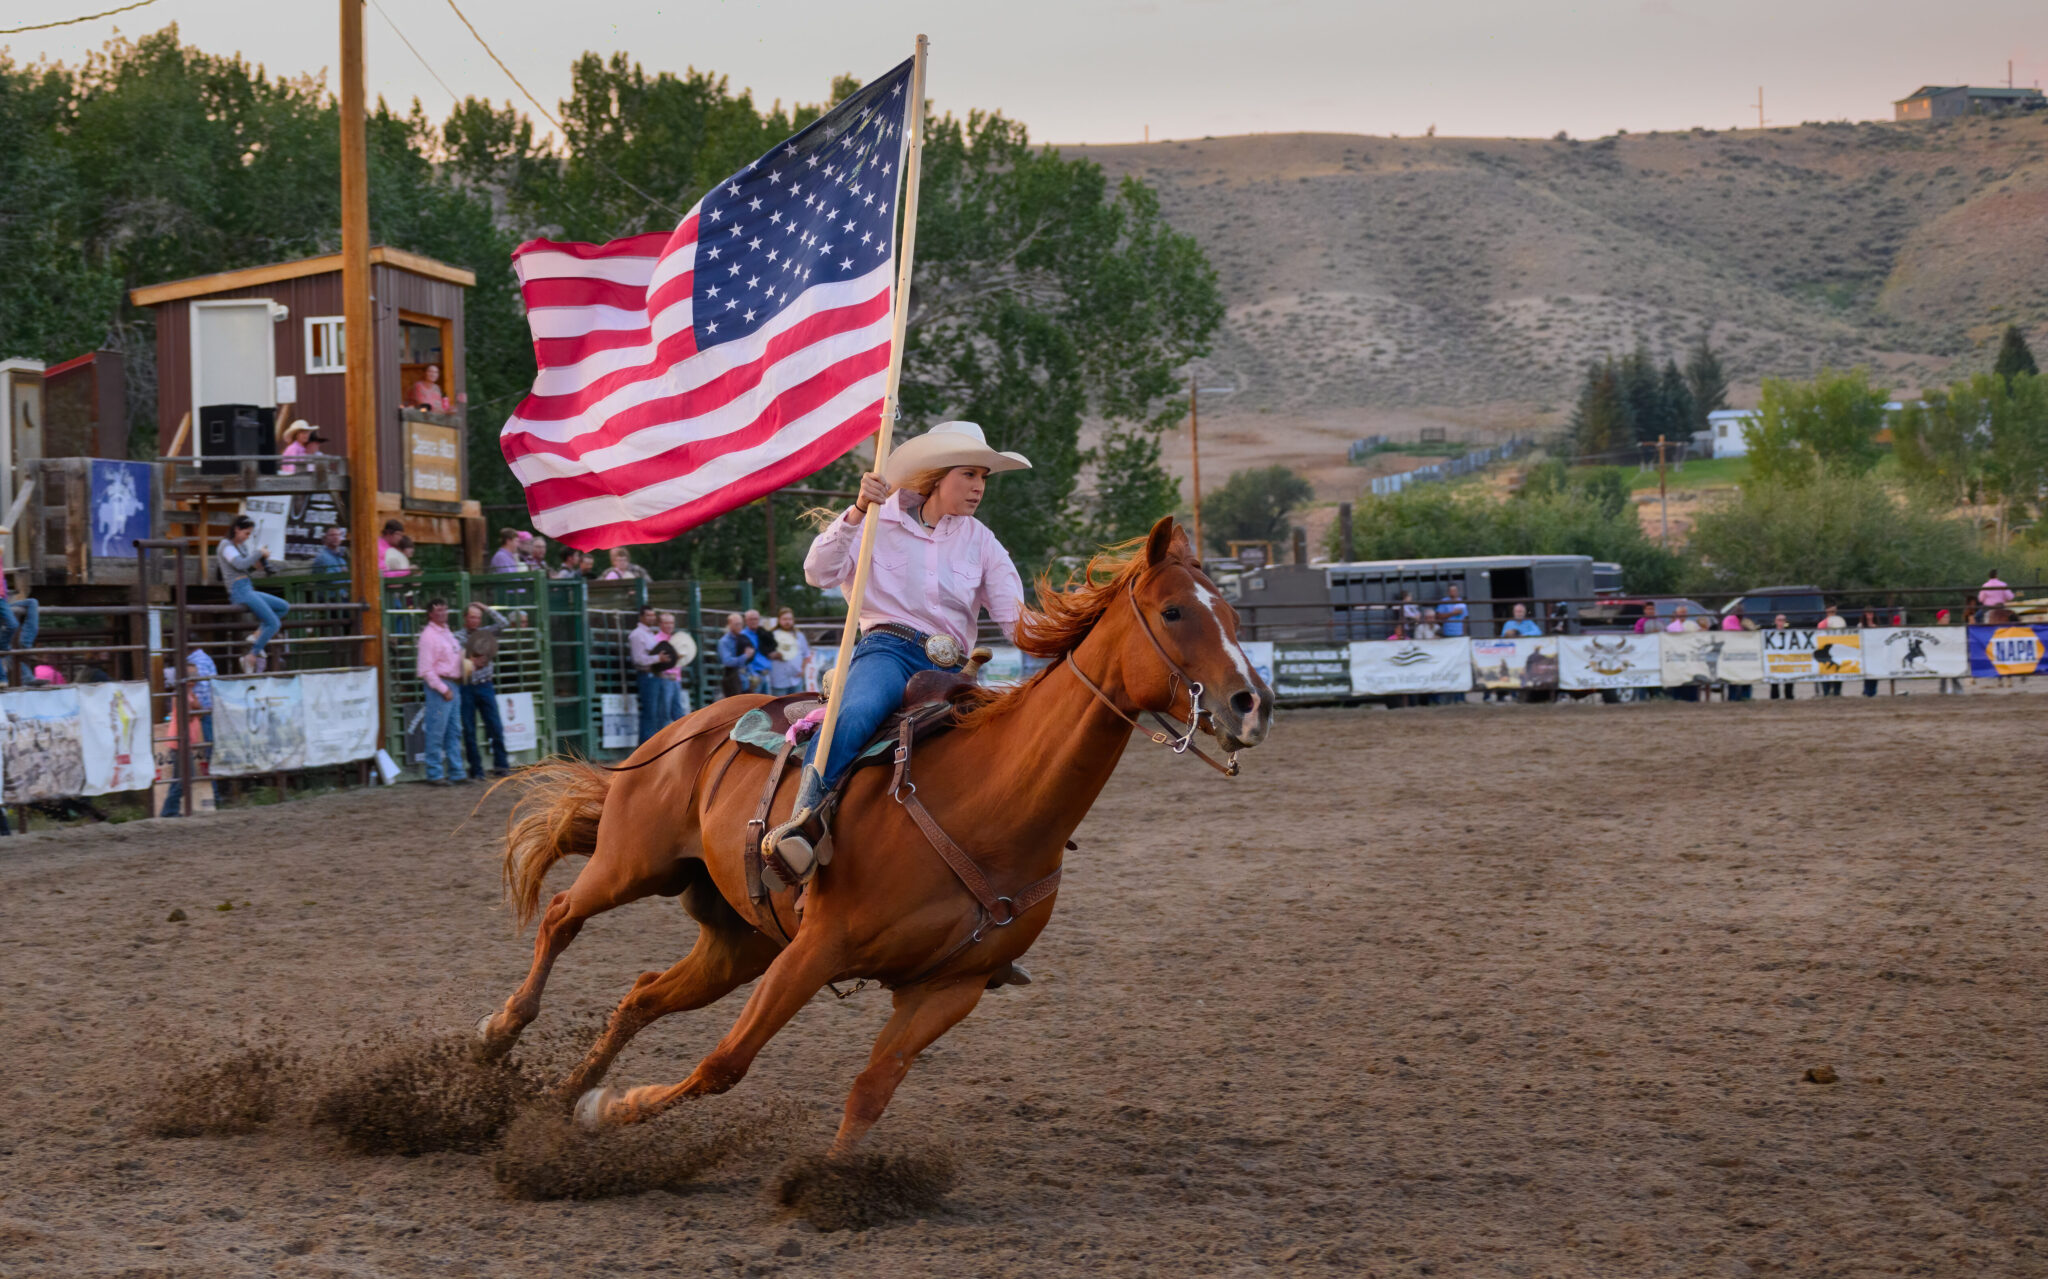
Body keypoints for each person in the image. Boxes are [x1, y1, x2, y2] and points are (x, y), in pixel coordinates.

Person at [764, 419, 1030, 887]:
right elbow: (818, 572)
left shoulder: (982, 541)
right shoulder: (875, 520)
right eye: (969, 474)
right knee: (860, 710)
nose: (978, 488)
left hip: (954, 668)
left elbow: (1017, 621)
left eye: (983, 478)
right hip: (887, 648)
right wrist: (857, 509)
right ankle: (804, 820)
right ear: (936, 476)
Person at [219, 514, 290, 674]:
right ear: (237, 529)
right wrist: (259, 553)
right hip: (238, 590)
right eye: (246, 533)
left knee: (283, 607)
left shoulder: (241, 547)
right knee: (274, 623)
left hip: (247, 587)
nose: (247, 537)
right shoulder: (226, 546)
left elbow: (246, 568)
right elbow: (240, 563)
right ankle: (252, 655)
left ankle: (257, 635)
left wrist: (258, 565)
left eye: (249, 534)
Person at [157, 647, 216, 817]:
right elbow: (189, 715)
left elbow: (196, 709)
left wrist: (195, 708)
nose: (195, 679)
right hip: (181, 742)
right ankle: (169, 810)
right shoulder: (181, 695)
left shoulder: (188, 694)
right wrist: (196, 709)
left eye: (195, 675)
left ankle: (169, 810)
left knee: (180, 778)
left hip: (184, 742)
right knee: (184, 777)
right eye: (193, 676)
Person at [456, 601, 511, 779]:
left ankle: (501, 765)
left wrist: (486, 608)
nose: (475, 621)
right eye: (472, 617)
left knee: (495, 725)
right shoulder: (457, 636)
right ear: (465, 618)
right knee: (469, 729)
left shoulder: (485, 632)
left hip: (485, 684)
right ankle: (477, 769)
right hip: (467, 685)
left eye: (478, 617)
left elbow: (504, 623)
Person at [415, 598, 466, 785]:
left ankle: (456, 771)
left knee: (453, 730)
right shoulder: (428, 636)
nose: (443, 613)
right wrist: (443, 689)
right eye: (439, 611)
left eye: (445, 610)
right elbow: (426, 670)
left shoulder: (446, 632)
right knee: (437, 731)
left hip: (452, 683)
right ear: (430, 614)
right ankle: (435, 772)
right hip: (440, 685)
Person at [627, 605, 675, 742]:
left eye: (653, 615)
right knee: (650, 714)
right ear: (641, 617)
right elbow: (638, 659)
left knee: (658, 714)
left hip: (656, 676)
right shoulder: (637, 634)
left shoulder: (649, 634)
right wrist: (658, 659)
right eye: (648, 615)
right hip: (647, 676)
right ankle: (645, 747)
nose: (651, 618)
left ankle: (653, 746)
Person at [654, 610, 693, 723]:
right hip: (665, 678)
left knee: (677, 711)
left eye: (671, 623)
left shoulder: (676, 639)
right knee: (665, 712)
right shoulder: (657, 640)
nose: (669, 625)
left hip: (676, 679)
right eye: (666, 623)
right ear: (660, 624)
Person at [0, 575, 40, 683]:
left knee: (32, 602)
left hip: (3, 604)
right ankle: (27, 678)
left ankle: (25, 643)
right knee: (6, 647)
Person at [767, 606, 811, 695]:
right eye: (784, 619)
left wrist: (802, 669)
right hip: (779, 678)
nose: (787, 622)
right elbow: (766, 653)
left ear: (793, 620)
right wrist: (775, 655)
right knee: (779, 706)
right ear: (779, 620)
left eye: (790, 619)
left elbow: (806, 655)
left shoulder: (799, 636)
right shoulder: (771, 635)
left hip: (796, 678)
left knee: (796, 705)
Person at [716, 611, 756, 698]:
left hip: (745, 678)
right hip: (732, 679)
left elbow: (748, 661)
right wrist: (745, 656)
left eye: (741, 624)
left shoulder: (743, 638)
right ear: (730, 624)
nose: (739, 627)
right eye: (736, 624)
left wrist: (753, 674)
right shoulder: (724, 641)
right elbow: (727, 661)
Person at [1815, 602, 1847, 696]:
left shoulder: (1840, 621)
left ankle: (1837, 692)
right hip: (1827, 651)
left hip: (1836, 649)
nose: (1832, 613)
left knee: (1838, 670)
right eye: (1831, 611)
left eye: (1834, 611)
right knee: (1826, 671)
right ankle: (1826, 692)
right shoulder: (1822, 623)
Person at [1860, 609, 1885, 697]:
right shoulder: (1861, 625)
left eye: (1871, 613)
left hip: (1875, 651)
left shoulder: (1877, 625)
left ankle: (1873, 691)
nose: (1869, 615)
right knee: (1867, 672)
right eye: (1868, 613)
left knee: (1874, 672)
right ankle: (1866, 690)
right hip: (1866, 651)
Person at [1768, 613, 1793, 700]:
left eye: (1783, 620)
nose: (1781, 622)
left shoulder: (1790, 632)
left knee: (1789, 678)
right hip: (1775, 658)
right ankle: (1774, 697)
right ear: (1775, 621)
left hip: (1787, 659)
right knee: (1774, 678)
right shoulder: (1770, 633)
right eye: (1779, 620)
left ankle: (1789, 696)